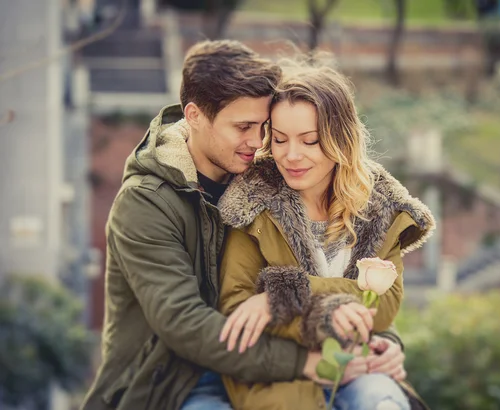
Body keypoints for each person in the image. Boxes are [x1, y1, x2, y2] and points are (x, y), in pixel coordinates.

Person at [81, 40, 407, 410]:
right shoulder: (146, 203)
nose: (258, 143)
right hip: (176, 380)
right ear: (194, 116)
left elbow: (336, 274)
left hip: (277, 365)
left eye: (264, 127)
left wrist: (385, 343)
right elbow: (186, 326)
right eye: (243, 127)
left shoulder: (268, 179)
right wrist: (305, 362)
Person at [216, 62, 435, 409]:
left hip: (358, 366)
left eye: (310, 141)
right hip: (278, 376)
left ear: (340, 140)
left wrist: (285, 293)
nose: (291, 155)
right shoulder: (252, 203)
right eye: (279, 139)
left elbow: (384, 306)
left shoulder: (381, 207)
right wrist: (329, 312)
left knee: (383, 402)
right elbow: (237, 307)